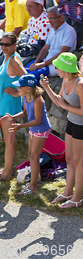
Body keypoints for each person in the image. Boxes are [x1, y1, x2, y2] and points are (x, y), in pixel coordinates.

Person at [41, 53, 83, 208]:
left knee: (79, 163)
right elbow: (60, 103)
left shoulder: (80, 84)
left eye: (58, 66)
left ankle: (77, 199)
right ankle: (68, 193)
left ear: (66, 67)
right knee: (70, 160)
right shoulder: (65, 79)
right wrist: (46, 87)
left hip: (81, 127)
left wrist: (66, 107)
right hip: (71, 123)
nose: (56, 69)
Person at [5, 74, 50, 195]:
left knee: (34, 157)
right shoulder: (25, 97)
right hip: (34, 128)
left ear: (28, 88)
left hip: (41, 129)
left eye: (20, 86)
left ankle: (33, 186)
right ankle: (34, 179)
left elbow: (38, 120)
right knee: (31, 155)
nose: (17, 88)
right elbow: (25, 112)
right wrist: (13, 117)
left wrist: (20, 126)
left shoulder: (38, 100)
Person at [0, 32, 28, 181]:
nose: (4, 47)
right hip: (4, 105)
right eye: (1, 44)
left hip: (9, 108)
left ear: (14, 45)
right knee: (8, 140)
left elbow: (27, 79)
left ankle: (7, 173)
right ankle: (8, 168)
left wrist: (18, 93)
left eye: (7, 44)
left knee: (10, 141)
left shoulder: (13, 60)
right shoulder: (7, 58)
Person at [26, 6, 77, 78]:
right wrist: (36, 62)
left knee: (29, 77)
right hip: (47, 62)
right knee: (22, 71)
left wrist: (42, 64)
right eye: (48, 18)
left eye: (52, 18)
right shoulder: (52, 29)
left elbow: (62, 54)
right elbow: (45, 48)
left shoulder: (69, 31)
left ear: (61, 18)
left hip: (58, 65)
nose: (49, 21)